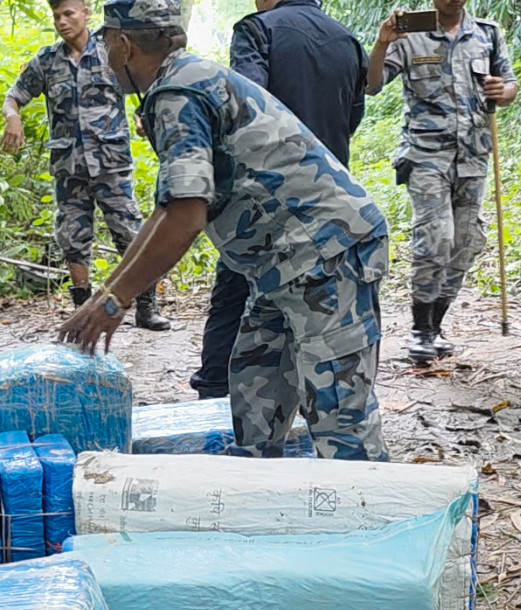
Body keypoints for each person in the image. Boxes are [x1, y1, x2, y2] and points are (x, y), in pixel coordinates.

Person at [60, 0, 390, 462]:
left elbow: (187, 217)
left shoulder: (180, 92)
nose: (107, 55)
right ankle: (257, 495)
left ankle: (375, 517)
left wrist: (116, 301)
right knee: (256, 389)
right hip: (280, 263)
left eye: (108, 42)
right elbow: (167, 208)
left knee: (340, 417)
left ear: (126, 45)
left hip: (328, 252)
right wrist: (107, 293)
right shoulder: (180, 82)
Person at [189, 0, 369, 398]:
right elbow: (352, 118)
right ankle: (311, 402)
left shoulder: (258, 31)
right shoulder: (348, 40)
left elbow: (246, 109)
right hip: (330, 196)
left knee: (236, 293)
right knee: (320, 303)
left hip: (269, 194)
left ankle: (215, 394)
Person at [1, 0, 170, 330]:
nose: (62, 22)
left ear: (86, 11)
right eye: (56, 16)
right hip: (70, 167)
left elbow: (149, 83)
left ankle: (146, 306)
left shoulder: (113, 50)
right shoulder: (46, 61)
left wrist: (145, 112)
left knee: (131, 234)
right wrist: (12, 118)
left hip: (111, 164)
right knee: (73, 238)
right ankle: (81, 307)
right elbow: (14, 96)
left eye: (68, 14)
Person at [366, 1, 516, 362]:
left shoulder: (487, 33)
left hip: (473, 155)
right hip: (425, 156)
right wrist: (382, 42)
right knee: (436, 237)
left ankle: (436, 326)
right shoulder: (409, 32)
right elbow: (371, 85)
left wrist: (503, 91)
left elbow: (508, 85)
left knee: (465, 241)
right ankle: (419, 329)